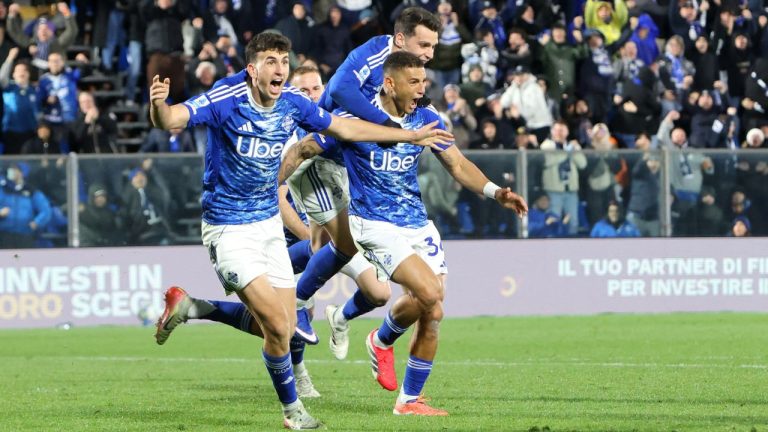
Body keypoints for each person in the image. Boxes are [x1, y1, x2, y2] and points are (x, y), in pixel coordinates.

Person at [148, 32, 451, 430]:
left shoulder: (293, 104)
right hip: (227, 227)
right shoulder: (226, 98)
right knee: (278, 325)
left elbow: (346, 129)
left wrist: (409, 135)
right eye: (271, 62)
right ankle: (294, 413)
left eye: (284, 61)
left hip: (267, 228)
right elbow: (172, 120)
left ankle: (193, 307)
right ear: (252, 69)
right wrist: (158, 106)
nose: (280, 69)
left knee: (283, 329)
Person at [280, 51, 528, 417]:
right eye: (414, 82)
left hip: (417, 223)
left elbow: (457, 164)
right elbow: (305, 148)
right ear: (390, 82)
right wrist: (270, 184)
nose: (421, 89)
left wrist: (496, 192)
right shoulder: (356, 120)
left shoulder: (426, 118)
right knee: (431, 291)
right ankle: (379, 339)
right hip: (374, 223)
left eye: (424, 82)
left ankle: (408, 399)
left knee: (434, 309)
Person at [0, 162, 52, 249]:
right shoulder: (3, 189)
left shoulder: (31, 191)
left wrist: (37, 222)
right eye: (11, 169)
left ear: (22, 173)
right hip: (4, 233)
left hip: (25, 234)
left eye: (15, 169)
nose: (11, 171)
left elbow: (46, 210)